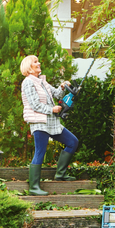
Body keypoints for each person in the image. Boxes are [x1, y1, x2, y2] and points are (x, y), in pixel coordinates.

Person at [20, 55, 79, 195]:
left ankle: (61, 174)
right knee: (40, 151)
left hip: (52, 122)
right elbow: (34, 104)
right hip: (39, 122)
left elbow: (57, 94)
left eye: (38, 60)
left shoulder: (42, 82)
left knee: (72, 142)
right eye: (35, 62)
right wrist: (51, 109)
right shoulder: (28, 82)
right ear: (29, 67)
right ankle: (34, 187)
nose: (39, 63)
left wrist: (62, 86)